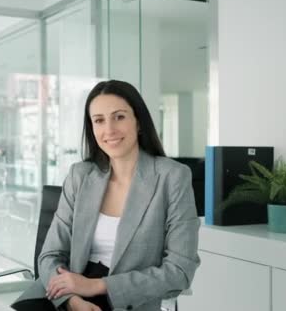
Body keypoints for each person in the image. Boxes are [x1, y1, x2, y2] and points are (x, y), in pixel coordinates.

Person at [12, 80, 200, 311]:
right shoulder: (80, 176)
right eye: (99, 120)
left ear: (138, 122)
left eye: (119, 117)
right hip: (61, 293)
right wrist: (71, 301)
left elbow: (180, 271)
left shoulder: (172, 177)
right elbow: (51, 254)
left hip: (123, 298)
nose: (109, 130)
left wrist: (96, 286)